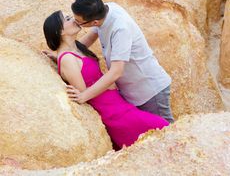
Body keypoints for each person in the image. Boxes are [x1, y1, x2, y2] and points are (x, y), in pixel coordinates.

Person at [43, 11, 169, 149]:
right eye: (67, 19)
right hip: (113, 114)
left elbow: (93, 34)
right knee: (162, 129)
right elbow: (83, 93)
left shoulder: (77, 49)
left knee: (162, 137)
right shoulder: (67, 58)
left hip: (120, 105)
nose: (73, 19)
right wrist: (108, 83)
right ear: (59, 31)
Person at [69, 0, 174, 123]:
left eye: (79, 22)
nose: (75, 23)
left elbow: (116, 72)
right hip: (132, 90)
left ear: (94, 22)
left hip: (149, 89)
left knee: (165, 131)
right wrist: (67, 53)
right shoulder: (105, 10)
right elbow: (91, 36)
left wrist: (84, 95)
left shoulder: (120, 29)